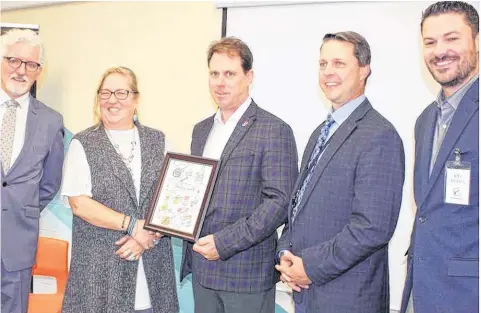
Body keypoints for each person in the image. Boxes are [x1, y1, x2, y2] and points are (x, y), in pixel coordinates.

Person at [276, 31, 405, 313]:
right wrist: (285, 253)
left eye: (339, 63)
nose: (328, 72)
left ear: (364, 71)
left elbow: (373, 227)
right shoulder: (318, 134)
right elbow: (298, 207)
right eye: (322, 64)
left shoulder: (379, 135)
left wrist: (309, 266)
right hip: (307, 295)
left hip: (348, 298)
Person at [180, 37, 298, 313]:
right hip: (203, 271)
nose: (220, 82)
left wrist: (224, 243)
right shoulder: (201, 130)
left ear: (249, 77)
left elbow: (280, 203)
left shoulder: (273, 129)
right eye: (214, 74)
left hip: (246, 276)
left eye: (230, 74)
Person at [60, 67, 178, 313]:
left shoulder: (159, 140)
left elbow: (171, 199)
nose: (112, 100)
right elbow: (79, 203)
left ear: (136, 99)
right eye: (105, 93)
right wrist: (133, 225)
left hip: (153, 270)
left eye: (121, 93)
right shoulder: (83, 143)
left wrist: (147, 238)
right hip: (101, 274)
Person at [400, 2, 479, 313]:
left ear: (477, 41)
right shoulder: (425, 120)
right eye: (430, 42)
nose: (440, 51)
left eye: (452, 38)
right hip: (422, 289)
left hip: (469, 293)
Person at [0, 28, 64, 313]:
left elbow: (49, 183)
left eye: (31, 64)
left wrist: (21, 207)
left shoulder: (51, 121)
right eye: (14, 60)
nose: (21, 70)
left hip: (18, 244)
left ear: (39, 71)